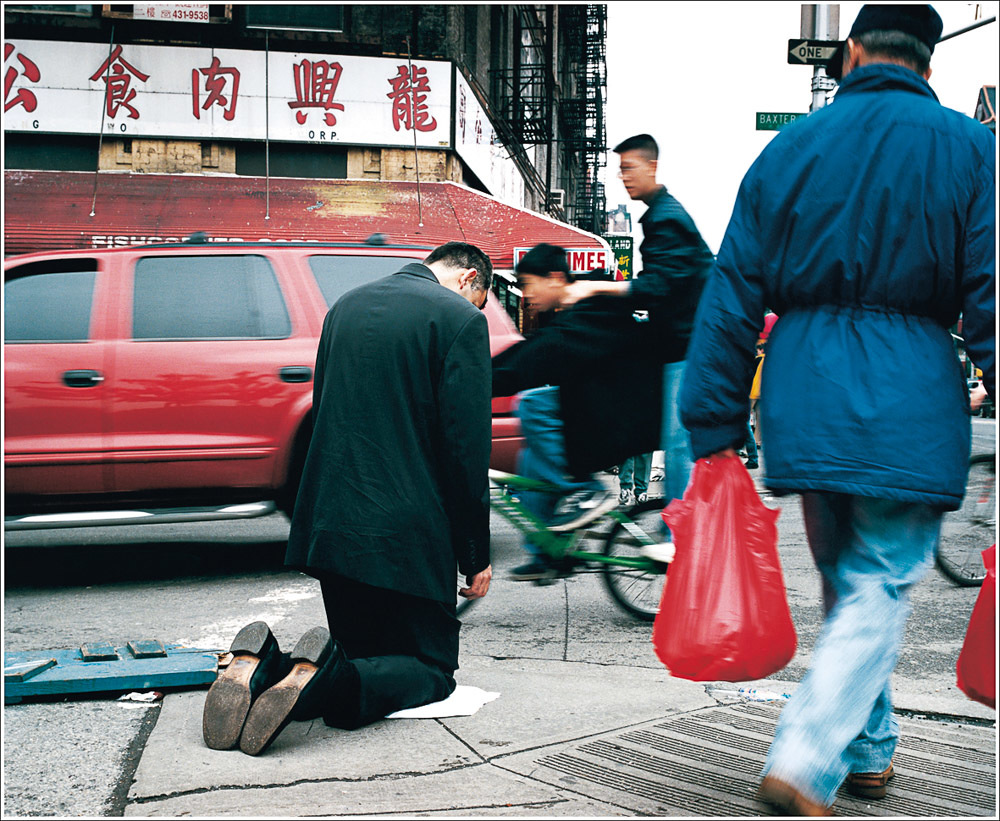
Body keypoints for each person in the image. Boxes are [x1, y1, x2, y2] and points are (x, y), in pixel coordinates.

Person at [678, 5, 995, 815]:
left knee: (848, 585)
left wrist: (711, 418)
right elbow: (990, 292)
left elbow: (733, 290)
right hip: (910, 392)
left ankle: (870, 751)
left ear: (852, 53)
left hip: (804, 394)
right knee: (882, 584)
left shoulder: (790, 148)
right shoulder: (970, 147)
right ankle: (808, 752)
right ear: (930, 64)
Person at [202, 242, 495, 756]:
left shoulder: (346, 306)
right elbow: (465, 448)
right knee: (432, 671)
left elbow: (327, 406)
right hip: (407, 530)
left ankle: (265, 667)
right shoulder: (458, 320)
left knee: (360, 655)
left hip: (333, 521)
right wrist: (476, 554)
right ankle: (315, 685)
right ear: (470, 279)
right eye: (481, 300)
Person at [560, 133, 714, 546]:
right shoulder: (660, 215)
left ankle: (676, 535)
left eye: (629, 168)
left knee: (677, 443)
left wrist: (592, 290)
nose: (623, 177)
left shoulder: (667, 219)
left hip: (688, 347)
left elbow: (655, 287)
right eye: (620, 169)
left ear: (652, 167)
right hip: (672, 345)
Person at [492, 243, 663, 580]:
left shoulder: (590, 308)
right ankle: (548, 552)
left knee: (531, 405)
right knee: (530, 463)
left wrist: (478, 379)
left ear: (554, 278)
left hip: (621, 411)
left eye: (527, 284)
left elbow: (541, 354)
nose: (525, 296)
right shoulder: (573, 310)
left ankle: (583, 488)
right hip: (596, 406)